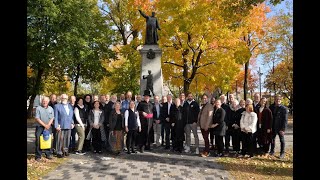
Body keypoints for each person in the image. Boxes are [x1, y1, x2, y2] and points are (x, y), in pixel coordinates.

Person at [54, 94, 75, 158]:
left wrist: (72, 123)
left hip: (68, 125)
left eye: (65, 98)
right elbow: (56, 117)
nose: (64, 99)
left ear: (67, 99)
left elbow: (71, 116)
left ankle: (65, 150)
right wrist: (56, 125)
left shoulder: (70, 106)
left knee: (67, 139)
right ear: (61, 99)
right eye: (63, 98)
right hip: (60, 125)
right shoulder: (57, 106)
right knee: (60, 139)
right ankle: (59, 152)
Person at [34, 96, 54, 161]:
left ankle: (48, 154)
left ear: (48, 102)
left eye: (46, 101)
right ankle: (38, 156)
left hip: (48, 126)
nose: (45, 102)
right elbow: (37, 118)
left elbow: (52, 118)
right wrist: (45, 125)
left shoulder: (51, 108)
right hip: (40, 126)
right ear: (42, 101)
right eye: (43, 101)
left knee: (48, 140)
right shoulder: (38, 108)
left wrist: (48, 125)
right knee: (38, 140)